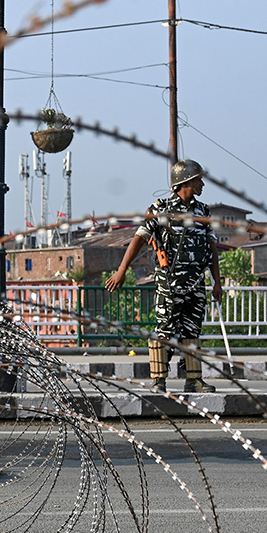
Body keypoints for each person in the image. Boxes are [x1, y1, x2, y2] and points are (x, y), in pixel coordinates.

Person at [104, 159, 224, 393]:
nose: (202, 184)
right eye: (198, 179)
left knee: (192, 330)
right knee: (166, 330)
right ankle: (159, 381)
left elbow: (212, 249)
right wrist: (121, 270)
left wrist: (217, 282)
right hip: (170, 282)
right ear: (185, 182)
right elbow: (138, 240)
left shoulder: (203, 211)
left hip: (196, 282)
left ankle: (194, 380)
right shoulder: (160, 209)